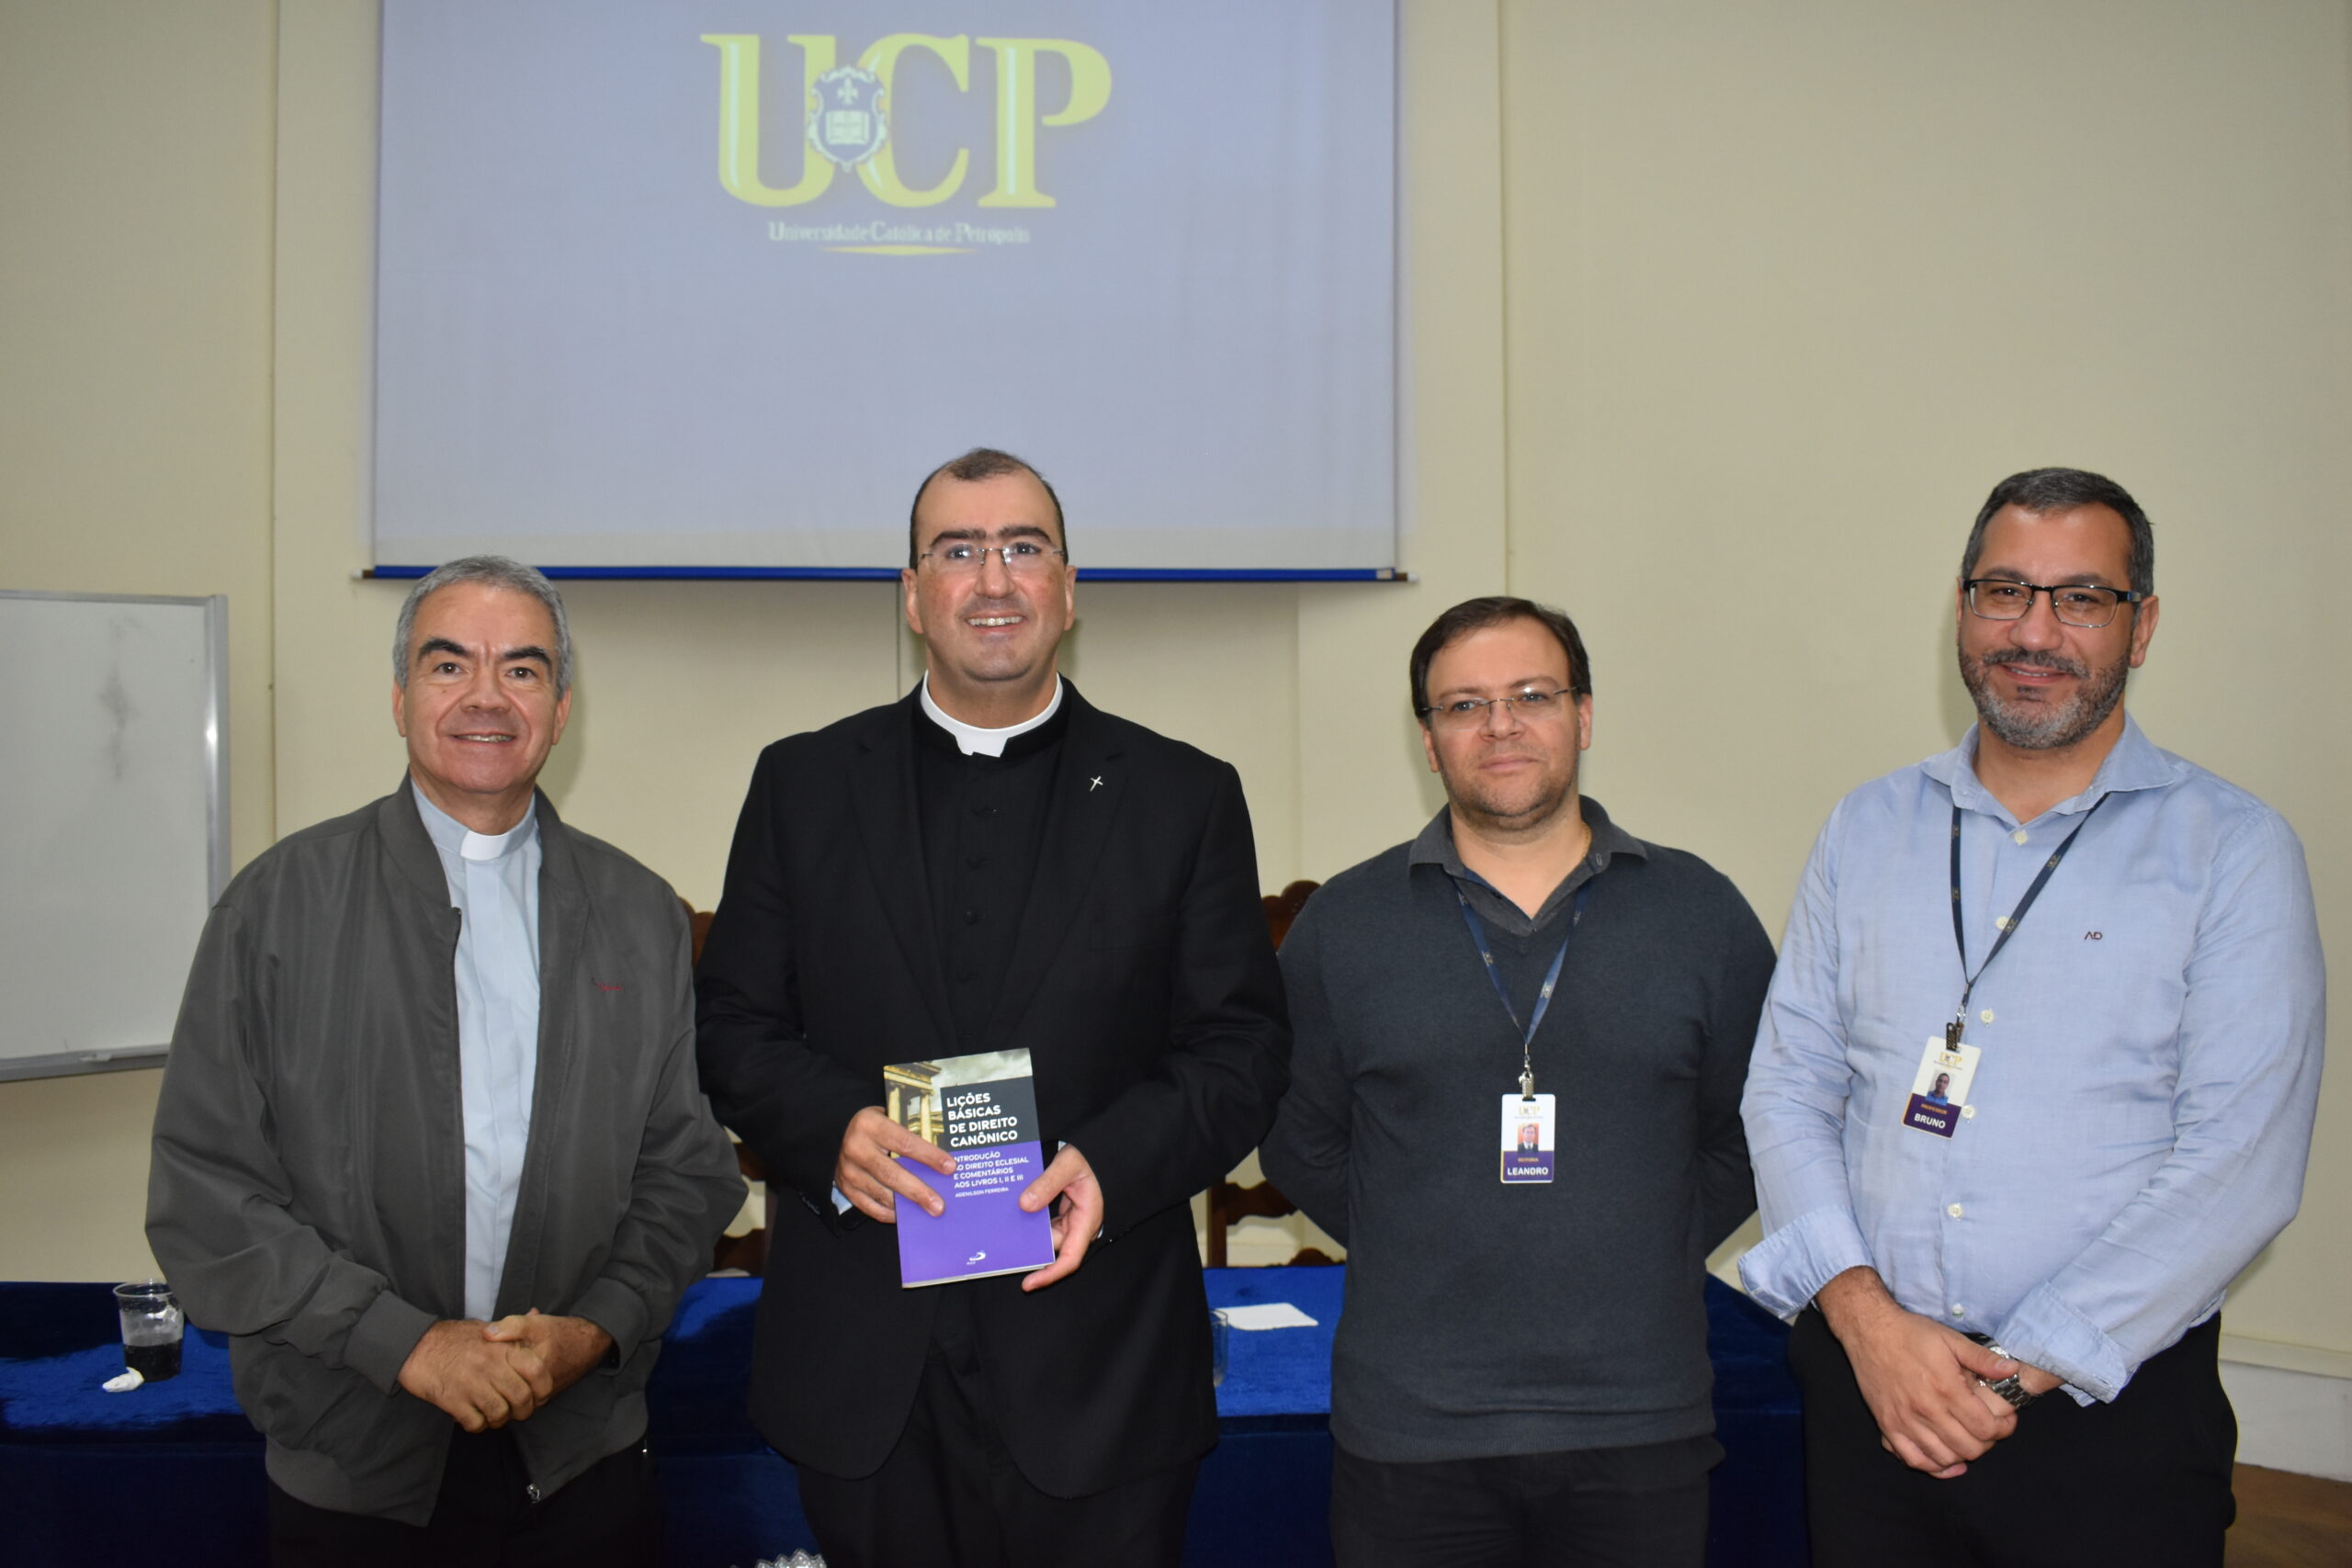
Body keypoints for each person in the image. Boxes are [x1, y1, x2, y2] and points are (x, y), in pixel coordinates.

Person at [695, 448, 1289, 1568]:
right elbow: (730, 1024)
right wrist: (833, 1133)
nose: (993, 579)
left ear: (1068, 589)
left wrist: (1112, 1163)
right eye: (957, 552)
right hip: (864, 1366)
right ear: (913, 597)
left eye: (1023, 548)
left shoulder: (1183, 796)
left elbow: (1240, 1048)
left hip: (1099, 1365)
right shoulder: (802, 785)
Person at [1740, 468, 2325, 1567]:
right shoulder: (1865, 828)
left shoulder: (2233, 853)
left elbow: (2238, 1161)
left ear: (2140, 625)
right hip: (1869, 1393)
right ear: (1961, 609)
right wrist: (1868, 1329)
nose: (2034, 630)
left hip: (2106, 1417)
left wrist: (2012, 1374)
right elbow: (1787, 1086)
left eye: (2080, 598)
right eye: (2003, 590)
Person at [146, 556, 744, 1566]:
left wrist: (589, 1333)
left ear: (560, 709)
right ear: (399, 697)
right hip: (353, 1463)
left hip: (583, 1456)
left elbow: (685, 1177)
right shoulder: (279, 908)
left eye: (521, 669)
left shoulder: (641, 917)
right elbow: (208, 1195)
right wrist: (406, 1344)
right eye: (447, 664)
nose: (484, 697)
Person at [1261, 595, 1776, 1568]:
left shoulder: (1698, 913)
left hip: (1638, 1420)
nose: (1499, 726)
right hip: (1411, 1429)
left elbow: (1753, 1129)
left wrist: (1645, 1241)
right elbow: (1298, 1134)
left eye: (1531, 695)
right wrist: (1410, 1233)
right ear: (1427, 740)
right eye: (1463, 705)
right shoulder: (1346, 924)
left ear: (1582, 716)